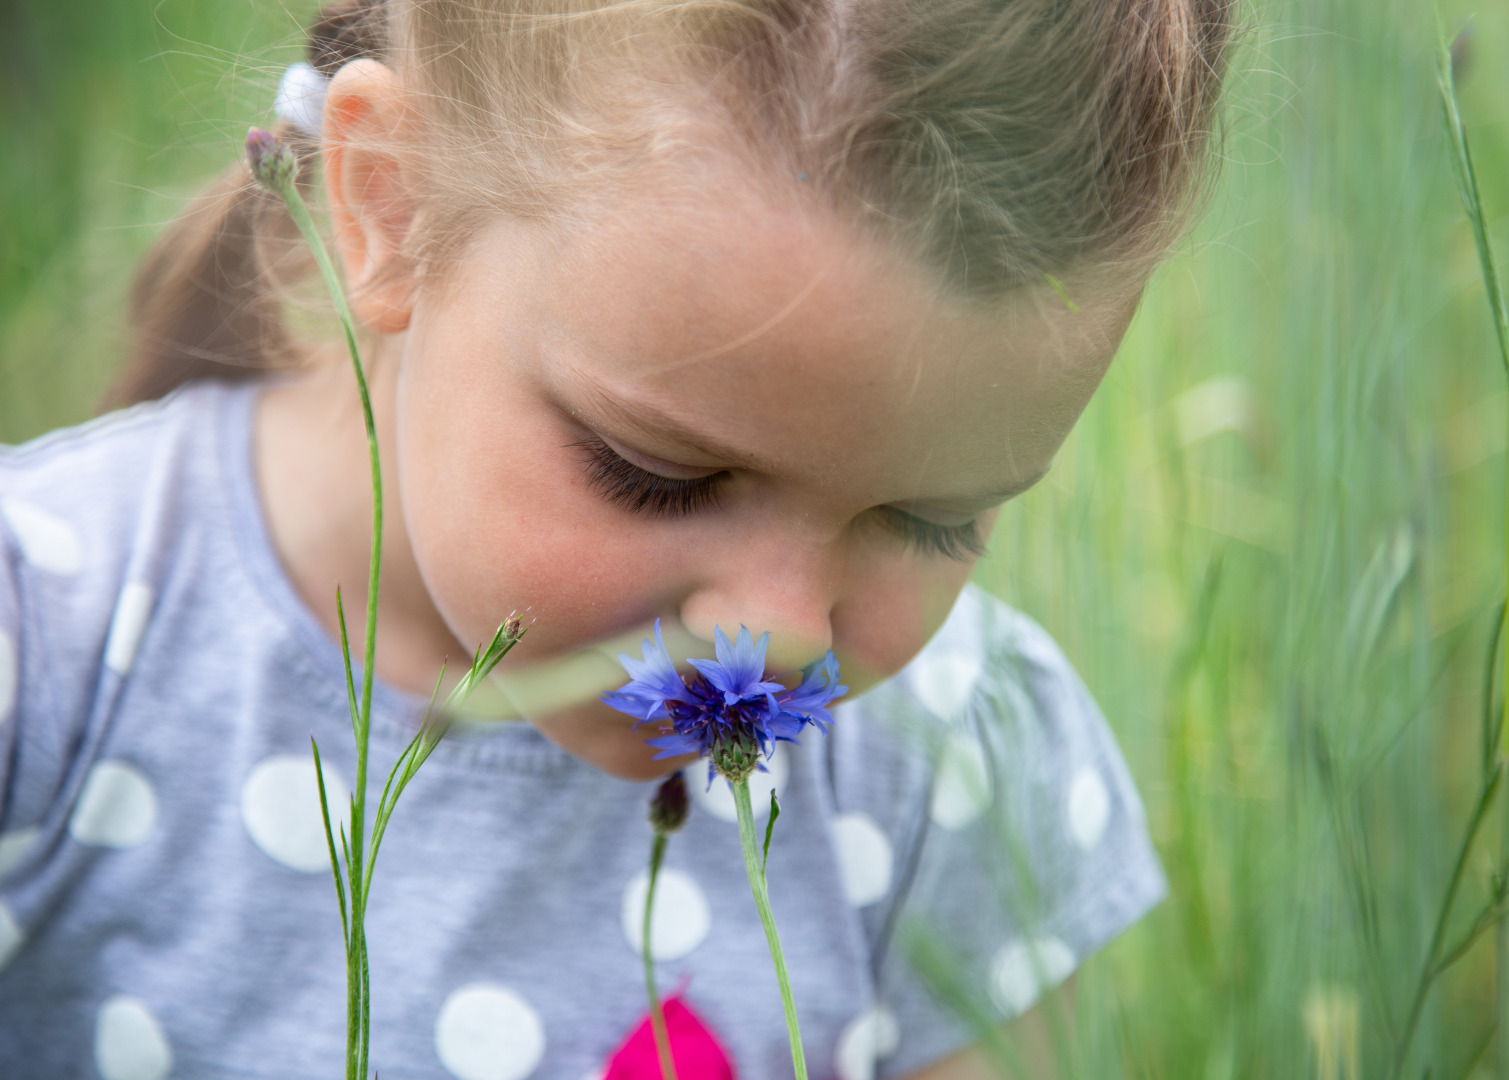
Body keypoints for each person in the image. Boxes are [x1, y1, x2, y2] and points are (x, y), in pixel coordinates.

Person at [0, 1, 1230, 1077]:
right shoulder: (46, 653)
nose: (783, 634)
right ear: (387, 202)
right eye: (659, 475)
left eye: (932, 518)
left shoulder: (959, 770)